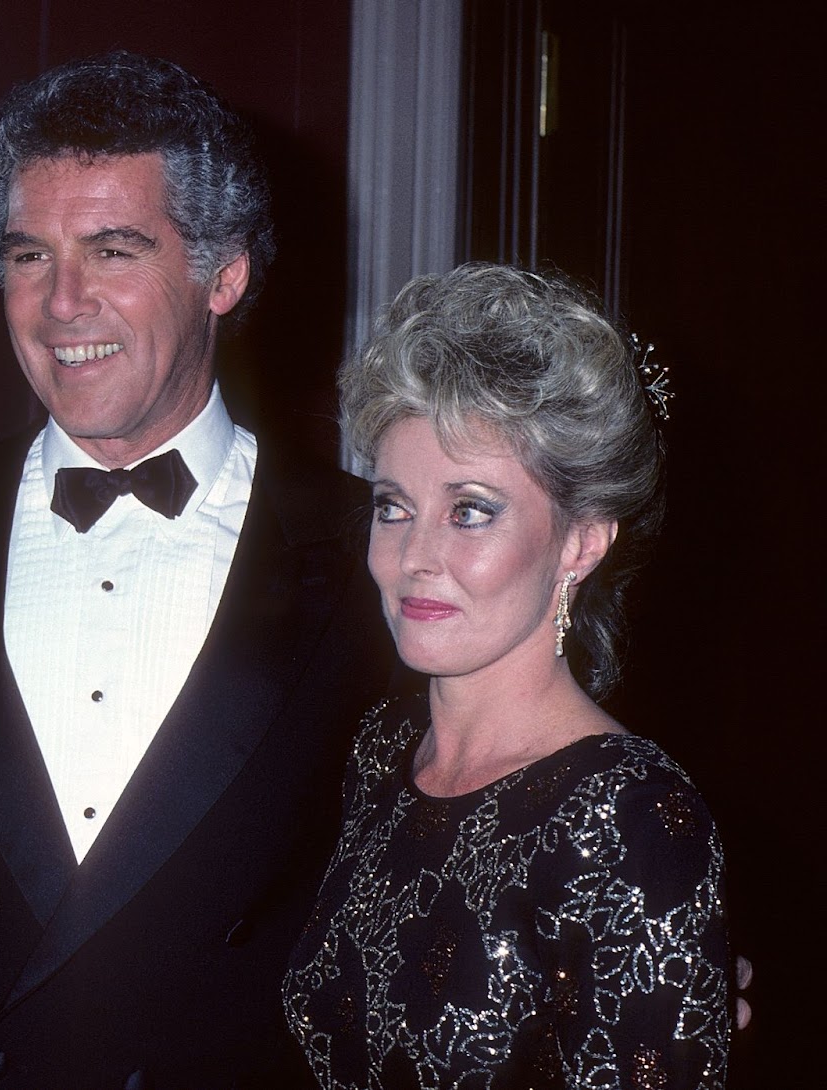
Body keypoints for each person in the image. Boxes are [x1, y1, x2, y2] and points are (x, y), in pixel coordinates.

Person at [0, 52, 395, 1086]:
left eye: (113, 250)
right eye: (27, 256)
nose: (61, 303)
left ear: (223, 272)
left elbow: (459, 834)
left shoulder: (374, 547)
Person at [282, 263, 729, 1086]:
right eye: (392, 506)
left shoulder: (631, 817)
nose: (415, 557)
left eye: (471, 510)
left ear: (581, 544)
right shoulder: (385, 750)